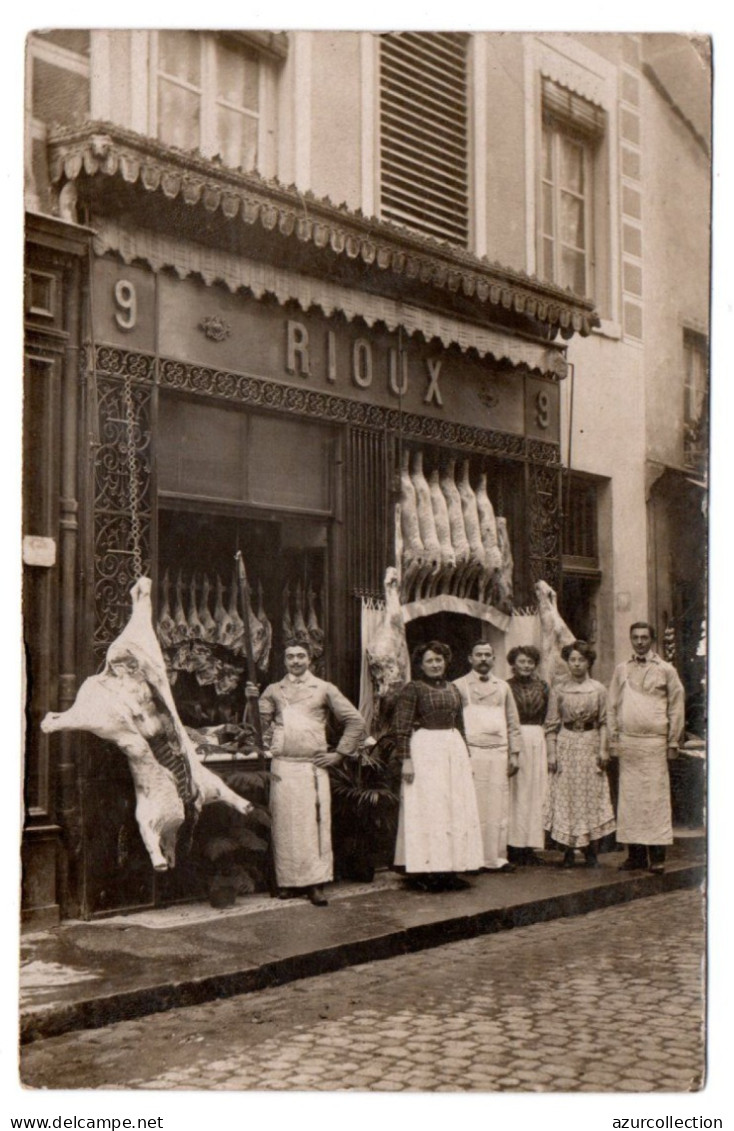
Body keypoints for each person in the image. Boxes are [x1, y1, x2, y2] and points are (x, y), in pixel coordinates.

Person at [246, 640, 366, 906]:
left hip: (313, 768)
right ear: (285, 661)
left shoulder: (324, 689)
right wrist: (251, 701)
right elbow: (255, 727)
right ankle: (288, 882)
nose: (296, 661)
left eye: (301, 656)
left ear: (310, 659)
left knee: (314, 825)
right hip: (283, 767)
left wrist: (339, 754)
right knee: (285, 825)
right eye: (290, 657)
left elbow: (355, 721)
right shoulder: (274, 691)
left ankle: (315, 883)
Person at [393, 640, 483, 891]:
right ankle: (426, 870)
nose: (435, 665)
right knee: (430, 809)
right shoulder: (414, 689)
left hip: (452, 749)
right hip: (425, 750)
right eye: (429, 661)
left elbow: (461, 725)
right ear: (421, 665)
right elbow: (401, 728)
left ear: (446, 662)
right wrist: (406, 760)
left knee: (454, 807)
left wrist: (466, 755)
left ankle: (451, 867)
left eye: (439, 660)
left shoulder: (454, 689)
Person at [607, 622, 685, 874]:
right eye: (635, 637)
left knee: (655, 800)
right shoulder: (622, 670)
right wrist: (614, 739)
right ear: (630, 639)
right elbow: (612, 705)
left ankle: (657, 857)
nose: (640, 642)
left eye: (644, 637)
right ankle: (636, 857)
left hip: (654, 744)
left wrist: (673, 740)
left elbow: (676, 705)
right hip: (629, 744)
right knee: (630, 801)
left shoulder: (666, 670)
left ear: (652, 640)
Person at [454, 641, 523, 873]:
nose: (483, 659)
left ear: (494, 659)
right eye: (478, 655)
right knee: (472, 805)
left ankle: (497, 858)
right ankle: (472, 859)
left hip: (499, 753)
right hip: (472, 752)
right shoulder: (459, 686)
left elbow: (513, 722)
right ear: (470, 658)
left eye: (487, 655)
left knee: (498, 806)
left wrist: (514, 753)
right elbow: (456, 724)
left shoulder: (503, 687)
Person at [544, 640, 615, 867]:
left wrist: (604, 749)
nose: (576, 664)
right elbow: (551, 724)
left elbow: (604, 722)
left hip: (590, 743)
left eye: (581, 660)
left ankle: (590, 851)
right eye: (572, 660)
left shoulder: (598, 689)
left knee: (590, 795)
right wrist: (552, 754)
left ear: (589, 662)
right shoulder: (559, 689)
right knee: (567, 796)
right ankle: (568, 851)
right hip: (566, 744)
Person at [506, 645, 550, 866]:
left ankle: (530, 845)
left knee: (535, 791)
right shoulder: (505, 687)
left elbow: (549, 715)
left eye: (530, 662)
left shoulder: (543, 687)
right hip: (515, 738)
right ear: (513, 664)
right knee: (517, 793)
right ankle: (513, 845)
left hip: (537, 738)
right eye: (521, 661)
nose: (525, 666)